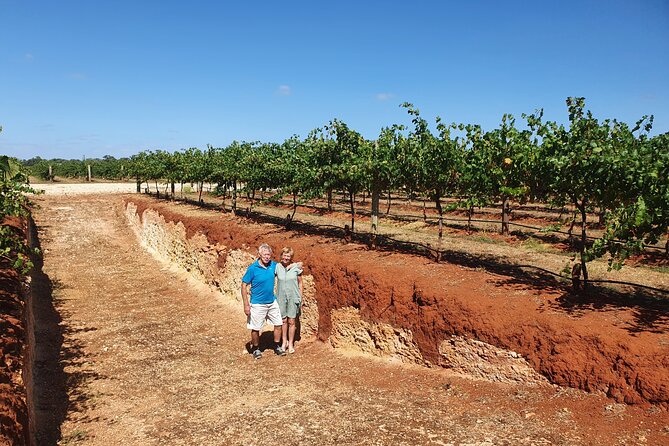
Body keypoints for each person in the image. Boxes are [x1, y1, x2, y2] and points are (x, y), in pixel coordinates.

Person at [241, 243, 286, 359]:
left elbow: (284, 266)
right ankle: (256, 348)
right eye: (265, 254)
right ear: (259, 254)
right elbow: (244, 284)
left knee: (278, 324)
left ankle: (276, 346)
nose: (267, 257)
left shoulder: (273, 266)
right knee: (255, 327)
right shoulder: (252, 268)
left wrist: (295, 265)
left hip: (271, 301)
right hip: (257, 303)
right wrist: (246, 304)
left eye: (269, 255)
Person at [275, 247, 303, 354]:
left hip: (293, 297)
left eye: (288, 256)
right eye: (284, 255)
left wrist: (300, 297)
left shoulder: (296, 268)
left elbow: (300, 283)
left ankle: (291, 343)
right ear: (281, 256)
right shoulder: (277, 267)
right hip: (281, 297)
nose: (286, 258)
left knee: (292, 321)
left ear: (291, 258)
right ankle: (284, 342)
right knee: (283, 320)